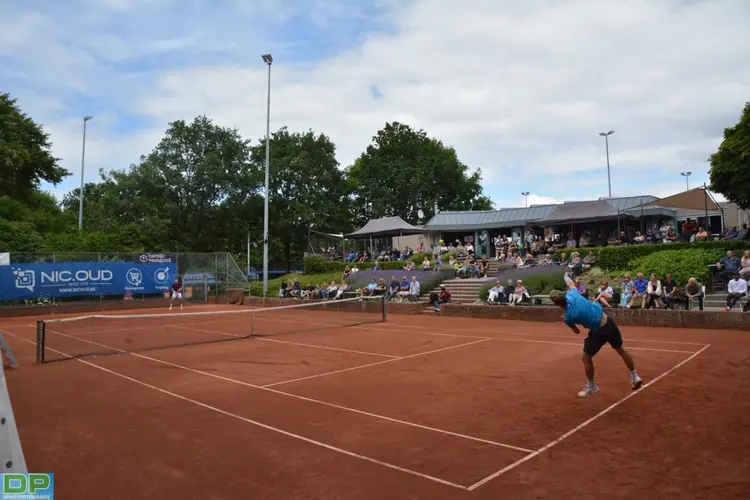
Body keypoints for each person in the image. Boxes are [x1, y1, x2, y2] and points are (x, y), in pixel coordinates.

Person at [549, 273, 643, 397]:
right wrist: (566, 276)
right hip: (608, 321)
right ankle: (634, 375)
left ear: (557, 304)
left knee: (586, 358)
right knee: (620, 350)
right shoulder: (573, 294)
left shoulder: (568, 317)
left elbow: (577, 331)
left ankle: (591, 386)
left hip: (599, 331)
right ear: (565, 295)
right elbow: (570, 283)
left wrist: (568, 321)